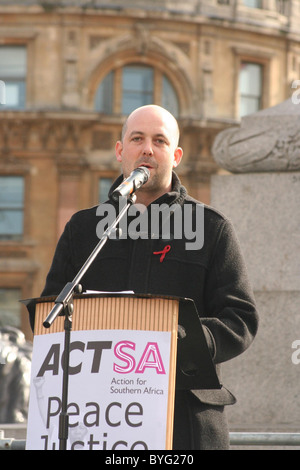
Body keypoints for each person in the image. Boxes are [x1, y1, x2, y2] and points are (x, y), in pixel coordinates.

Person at [34, 104, 259, 450]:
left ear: (177, 155)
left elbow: (240, 319)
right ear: (120, 150)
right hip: (99, 417)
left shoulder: (212, 228)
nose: (147, 149)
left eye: (160, 141)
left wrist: (178, 343)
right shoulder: (83, 230)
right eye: (137, 138)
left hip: (185, 421)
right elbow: (49, 316)